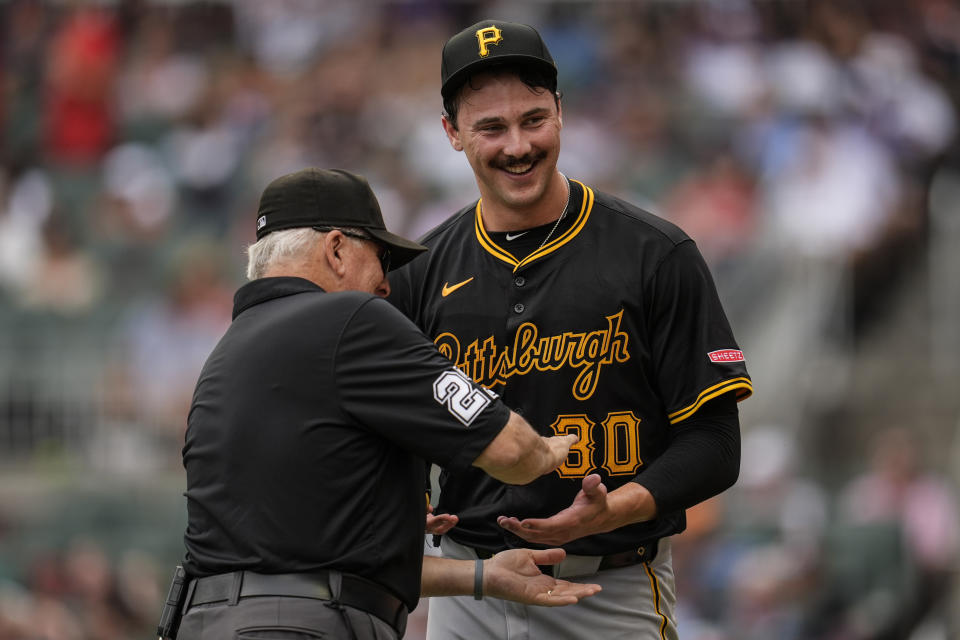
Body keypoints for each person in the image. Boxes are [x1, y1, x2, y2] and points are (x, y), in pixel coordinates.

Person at [387, 21, 753, 639]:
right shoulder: (420, 271)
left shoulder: (654, 254)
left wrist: (616, 509)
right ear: (451, 133)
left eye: (533, 119)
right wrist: (401, 501)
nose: (517, 146)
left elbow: (715, 445)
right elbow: (389, 431)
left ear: (561, 111)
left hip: (610, 587)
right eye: (491, 128)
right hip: (469, 590)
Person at [173, 168, 601, 640]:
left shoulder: (228, 354)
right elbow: (512, 454)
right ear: (336, 250)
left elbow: (315, 560)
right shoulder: (348, 318)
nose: (386, 285)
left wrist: (483, 576)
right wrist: (550, 451)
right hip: (300, 626)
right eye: (380, 258)